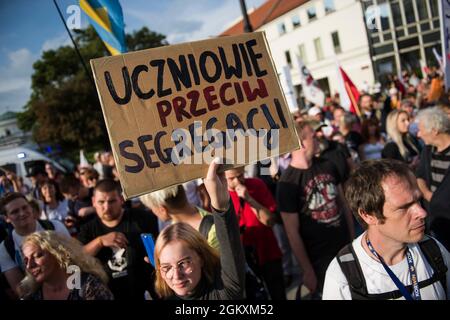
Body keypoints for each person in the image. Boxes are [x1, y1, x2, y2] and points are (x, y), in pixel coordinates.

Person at [323, 160, 449, 300]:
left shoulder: (434, 249)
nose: (422, 212)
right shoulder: (343, 277)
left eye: (418, 200)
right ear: (368, 215)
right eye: (404, 207)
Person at [276, 121, 355, 299]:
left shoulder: (328, 164)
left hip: (346, 248)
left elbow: (344, 206)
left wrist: (353, 241)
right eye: (313, 135)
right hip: (319, 260)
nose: (318, 137)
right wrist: (307, 270)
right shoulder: (287, 183)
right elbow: (292, 232)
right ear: (301, 143)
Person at [153, 158, 245, 299]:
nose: (177, 275)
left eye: (183, 263)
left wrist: (221, 206)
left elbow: (230, 243)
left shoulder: (224, 294)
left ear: (201, 258)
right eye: (167, 267)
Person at [77, 179, 159, 300]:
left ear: (121, 199)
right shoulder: (87, 229)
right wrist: (99, 242)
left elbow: (157, 253)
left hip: (144, 291)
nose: (106, 207)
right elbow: (77, 258)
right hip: (107, 294)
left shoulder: (142, 219)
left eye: (112, 201)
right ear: (93, 202)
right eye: (101, 202)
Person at [225, 166, 286, 300]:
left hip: (268, 251)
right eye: (231, 178)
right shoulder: (221, 196)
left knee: (278, 293)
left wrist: (249, 199)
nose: (238, 181)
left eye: (240, 175)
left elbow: (270, 221)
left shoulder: (256, 184)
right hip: (244, 259)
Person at [0, 192, 70, 298]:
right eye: (15, 212)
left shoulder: (55, 227)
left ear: (31, 208)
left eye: (25, 207)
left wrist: (77, 291)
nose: (22, 213)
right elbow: (21, 290)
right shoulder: (5, 248)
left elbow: (74, 262)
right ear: (6, 218)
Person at [19, 231, 113, 300]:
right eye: (26, 260)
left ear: (57, 254)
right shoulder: (31, 295)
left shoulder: (88, 286)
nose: (29, 265)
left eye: (37, 256)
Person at [140, 184, 218, 249]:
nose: (152, 212)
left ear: (162, 210)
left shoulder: (212, 229)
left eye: (151, 208)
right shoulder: (173, 228)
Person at [416, 107, 450, 251]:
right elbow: (420, 176)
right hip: (434, 221)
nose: (418, 134)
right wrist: (429, 195)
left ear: (434, 130)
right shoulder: (428, 150)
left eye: (421, 129)